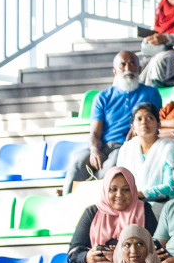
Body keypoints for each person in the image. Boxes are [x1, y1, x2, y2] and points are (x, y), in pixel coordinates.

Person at [61, 51, 162, 194]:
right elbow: (95, 132)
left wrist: (136, 137)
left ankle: (96, 201)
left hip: (128, 145)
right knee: (77, 163)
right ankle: (67, 202)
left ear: (140, 69)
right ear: (115, 71)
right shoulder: (102, 97)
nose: (127, 68)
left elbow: (154, 124)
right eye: (122, 65)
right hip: (104, 146)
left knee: (113, 163)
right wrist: (94, 150)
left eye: (132, 63)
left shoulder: (151, 93)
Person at [68, 167, 158, 263]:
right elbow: (73, 252)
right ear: (105, 190)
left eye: (126, 189)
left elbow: (155, 247)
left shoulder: (144, 210)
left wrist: (121, 258)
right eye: (113, 189)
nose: (119, 194)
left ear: (133, 190)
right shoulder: (92, 212)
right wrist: (87, 256)